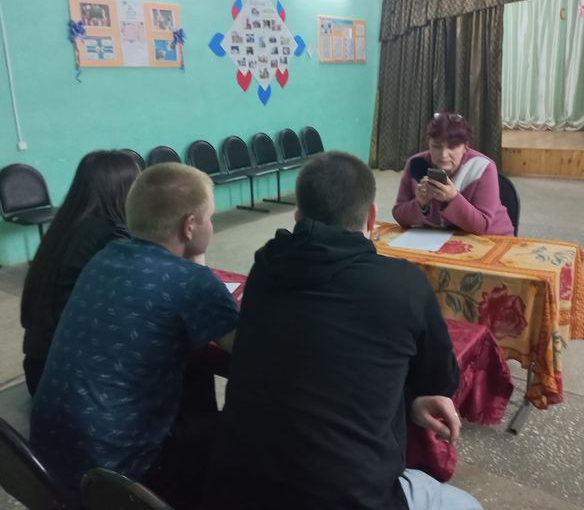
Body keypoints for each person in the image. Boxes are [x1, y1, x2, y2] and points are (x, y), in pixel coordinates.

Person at [204, 151, 481, 510]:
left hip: (237, 490)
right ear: (372, 217)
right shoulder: (404, 283)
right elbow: (441, 379)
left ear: (298, 217)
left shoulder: (267, 264)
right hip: (352, 498)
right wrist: (413, 399)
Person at [30, 163, 239, 509]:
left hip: (50, 454)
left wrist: (194, 254)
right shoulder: (192, 283)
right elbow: (244, 348)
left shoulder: (104, 258)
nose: (211, 226)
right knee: (239, 430)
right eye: (209, 219)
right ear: (190, 226)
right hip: (119, 470)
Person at [20, 150, 139, 395]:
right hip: (71, 382)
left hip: (39, 368)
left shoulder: (65, 226)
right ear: (124, 189)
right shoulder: (111, 239)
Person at [392, 113, 514, 236]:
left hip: (491, 237)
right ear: (428, 143)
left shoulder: (483, 167)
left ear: (465, 146)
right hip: (438, 239)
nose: (443, 155)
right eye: (436, 146)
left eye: (452, 147)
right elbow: (398, 215)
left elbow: (481, 226)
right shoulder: (415, 163)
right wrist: (420, 204)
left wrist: (452, 198)